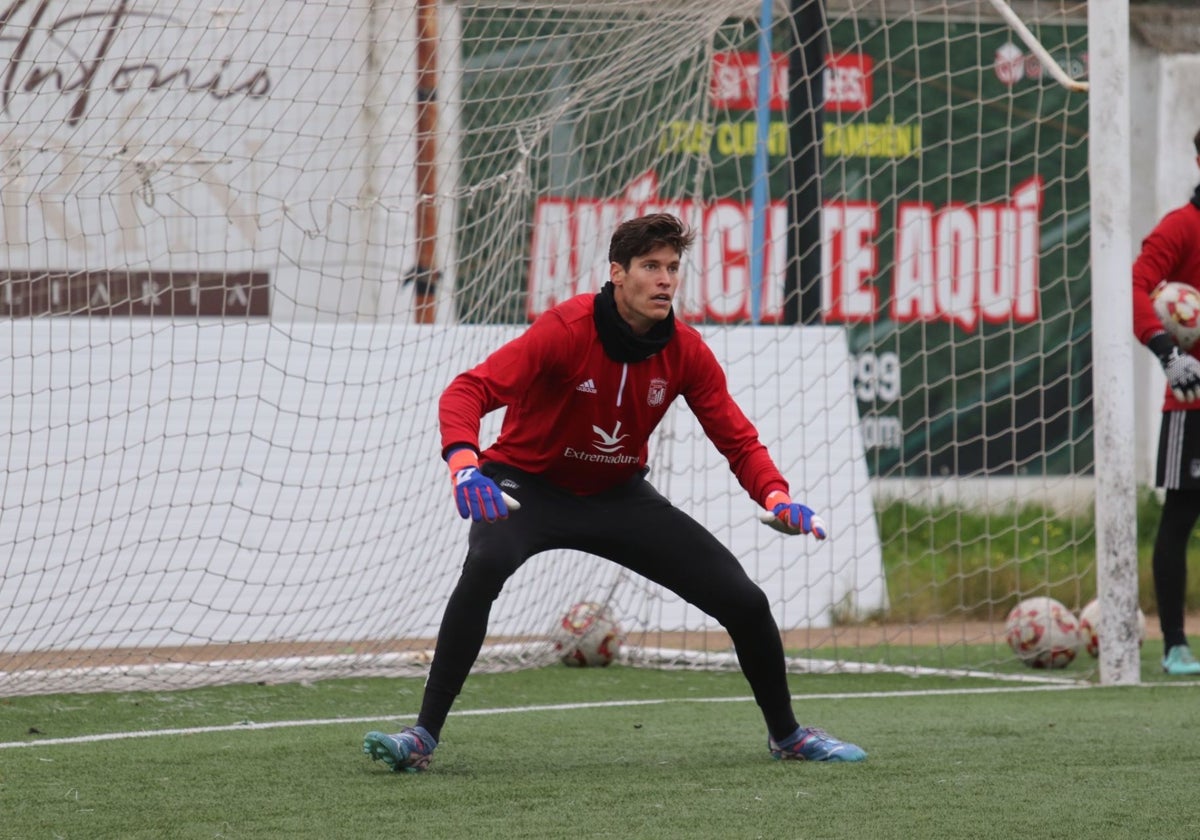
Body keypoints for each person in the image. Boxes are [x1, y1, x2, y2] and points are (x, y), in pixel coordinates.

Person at [363, 213, 866, 771]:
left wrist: (775, 496)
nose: (665, 280)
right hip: (527, 485)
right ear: (617, 273)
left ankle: (788, 736)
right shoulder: (565, 329)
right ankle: (422, 736)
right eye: (651, 267)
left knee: (746, 602)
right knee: (485, 564)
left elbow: (738, 438)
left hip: (618, 496)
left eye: (673, 268)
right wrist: (464, 464)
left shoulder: (687, 351)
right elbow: (467, 391)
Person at [1133, 128, 1200, 676]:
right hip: (1193, 405)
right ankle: (1175, 644)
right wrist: (1166, 351)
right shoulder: (1181, 226)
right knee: (1180, 516)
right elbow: (1138, 284)